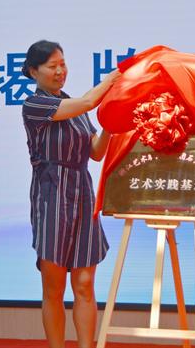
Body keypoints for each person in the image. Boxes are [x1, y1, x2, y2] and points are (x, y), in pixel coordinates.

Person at [21, 40, 120, 348]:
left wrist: (111, 122)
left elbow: (96, 152)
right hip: (51, 195)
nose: (60, 71)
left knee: (85, 284)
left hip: (83, 194)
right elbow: (89, 102)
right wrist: (111, 80)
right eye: (52, 66)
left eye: (62, 64)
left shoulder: (75, 106)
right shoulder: (34, 104)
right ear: (34, 71)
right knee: (54, 289)